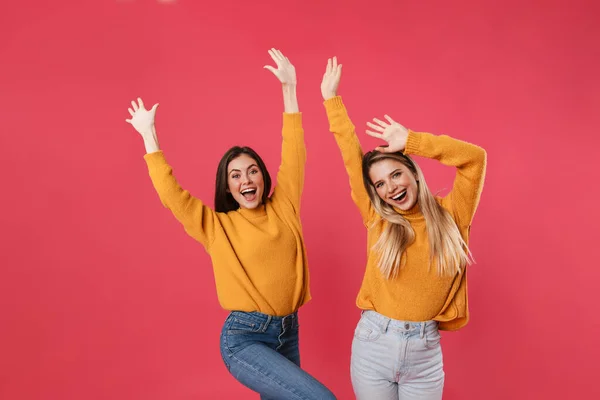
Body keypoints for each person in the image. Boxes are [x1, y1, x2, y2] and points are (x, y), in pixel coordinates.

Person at [125, 49, 336, 400]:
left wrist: (290, 88)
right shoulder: (215, 226)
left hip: (288, 331)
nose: (245, 179)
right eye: (235, 175)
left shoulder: (284, 206)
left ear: (263, 176)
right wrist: (149, 137)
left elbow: (294, 150)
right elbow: (173, 196)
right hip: (245, 338)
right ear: (227, 186)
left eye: (252, 170)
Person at [320, 57, 487, 400]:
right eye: (379, 184)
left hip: (425, 352)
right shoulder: (377, 219)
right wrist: (331, 101)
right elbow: (351, 157)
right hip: (373, 344)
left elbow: (475, 159)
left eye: (396, 174)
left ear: (413, 172)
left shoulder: (453, 214)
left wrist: (412, 140)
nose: (390, 187)